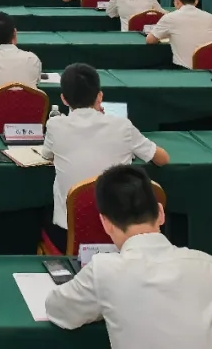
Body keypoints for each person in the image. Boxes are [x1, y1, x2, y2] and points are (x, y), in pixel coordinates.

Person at [45, 164, 212, 348]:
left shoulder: (103, 270)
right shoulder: (207, 265)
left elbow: (59, 310)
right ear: (160, 213)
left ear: (105, 223)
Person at [38, 64, 169, 250]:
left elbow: (46, 155)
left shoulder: (55, 125)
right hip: (122, 233)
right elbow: (162, 159)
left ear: (64, 99)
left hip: (69, 235)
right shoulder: (122, 126)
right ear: (99, 96)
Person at [147, 0, 212, 69]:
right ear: (196, 0)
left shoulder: (170, 18)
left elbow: (150, 40)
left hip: (184, 70)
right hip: (209, 69)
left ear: (176, 1)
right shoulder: (210, 17)